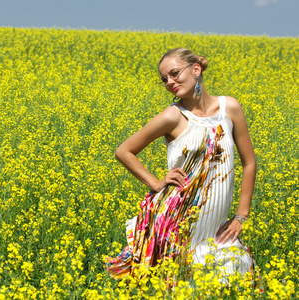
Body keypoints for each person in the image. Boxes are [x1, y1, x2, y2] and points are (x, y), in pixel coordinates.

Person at [106, 47, 258, 282]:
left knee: (234, 277)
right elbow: (124, 151)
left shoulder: (230, 108)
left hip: (214, 223)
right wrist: (156, 183)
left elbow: (249, 163)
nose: (169, 82)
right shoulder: (172, 116)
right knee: (174, 283)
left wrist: (241, 216)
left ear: (196, 69)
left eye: (175, 73)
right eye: (164, 79)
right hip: (176, 218)